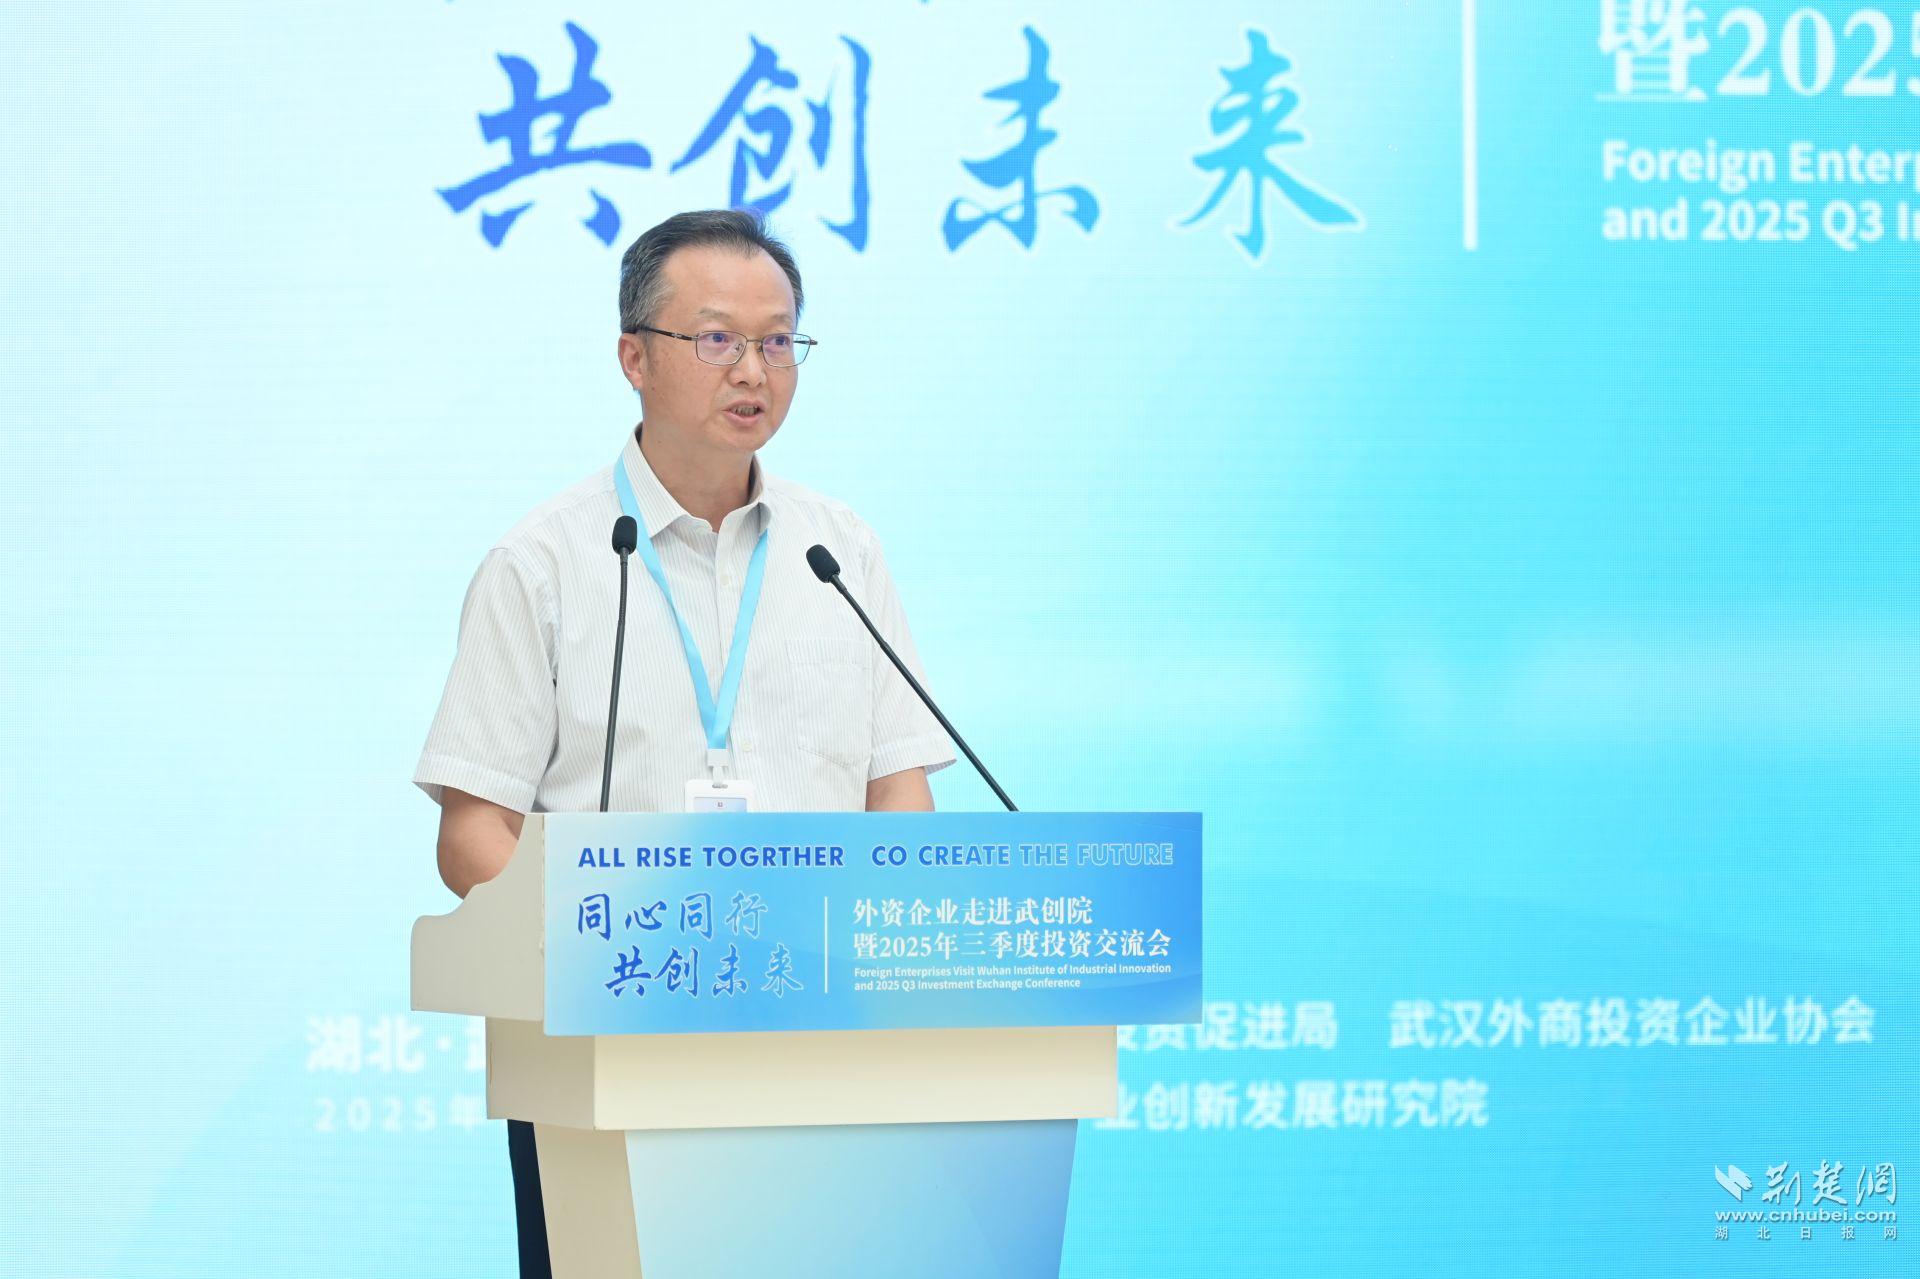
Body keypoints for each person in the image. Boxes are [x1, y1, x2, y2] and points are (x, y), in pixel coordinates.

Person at [413, 209, 955, 1279]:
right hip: (607, 1045)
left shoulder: (841, 553)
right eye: (716, 339)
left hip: (822, 1039)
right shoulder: (544, 564)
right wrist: (600, 949)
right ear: (634, 357)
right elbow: (472, 834)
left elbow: (900, 795)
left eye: (778, 340)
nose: (753, 370)